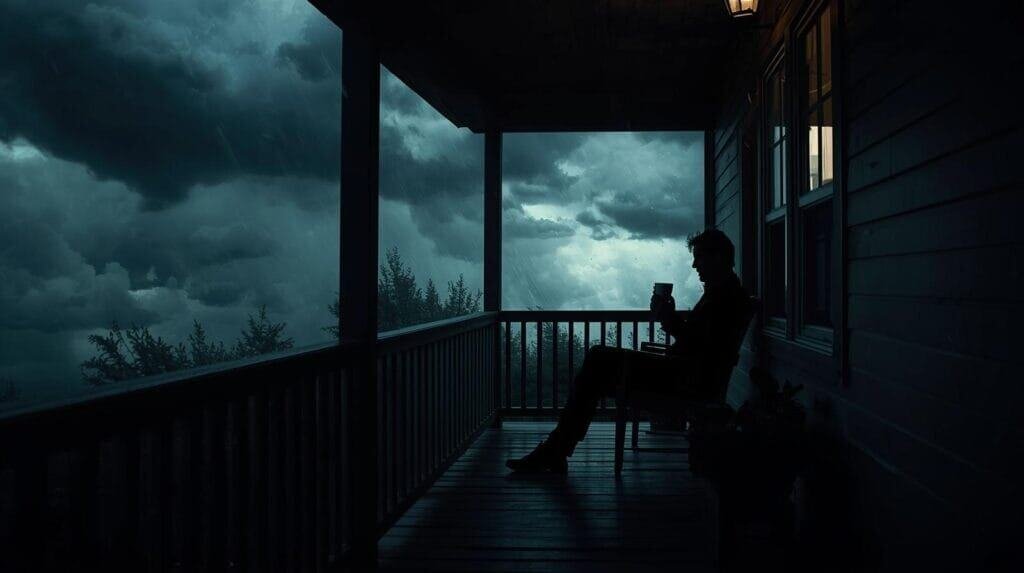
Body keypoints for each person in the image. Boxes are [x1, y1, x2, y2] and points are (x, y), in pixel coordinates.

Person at [506, 229, 751, 474]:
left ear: (717, 257)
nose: (694, 264)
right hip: (684, 374)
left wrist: (668, 318)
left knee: (598, 359)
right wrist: (670, 318)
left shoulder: (725, 298)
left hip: (686, 379)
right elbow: (698, 341)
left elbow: (700, 347)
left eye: (699, 257)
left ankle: (556, 449)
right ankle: (557, 449)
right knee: (596, 368)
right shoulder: (725, 293)